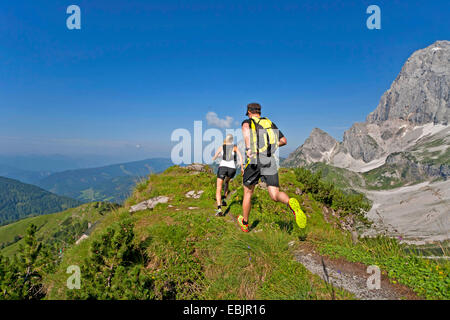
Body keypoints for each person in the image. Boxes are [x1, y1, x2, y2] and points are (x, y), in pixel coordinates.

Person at [237, 103, 307, 232]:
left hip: (254, 160)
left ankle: (245, 223)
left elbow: (246, 128)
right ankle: (290, 202)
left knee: (248, 192)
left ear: (249, 112)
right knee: (274, 195)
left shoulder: (247, 122)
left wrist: (249, 148)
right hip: (269, 159)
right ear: (259, 112)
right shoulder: (269, 124)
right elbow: (284, 140)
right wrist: (270, 147)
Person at [212, 134, 244, 216]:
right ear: (232, 140)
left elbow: (214, 157)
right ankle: (224, 200)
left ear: (225, 140)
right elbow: (240, 157)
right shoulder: (234, 147)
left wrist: (217, 156)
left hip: (223, 168)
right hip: (232, 169)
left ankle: (219, 209)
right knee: (226, 182)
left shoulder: (222, 147)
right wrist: (242, 167)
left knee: (218, 187)